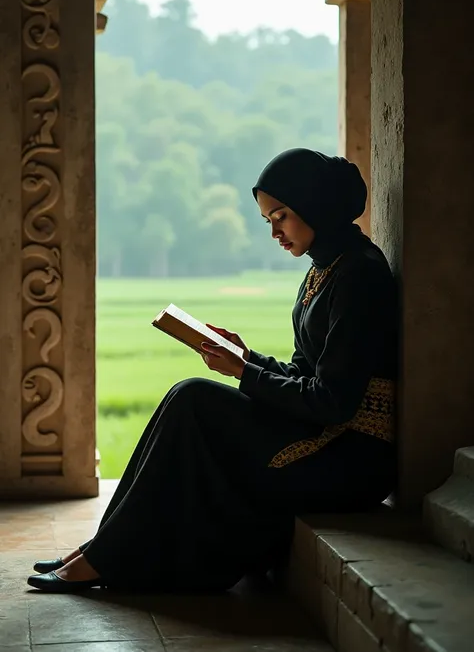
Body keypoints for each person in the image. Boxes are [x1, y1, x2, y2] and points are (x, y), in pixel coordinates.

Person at [27, 148, 397, 593]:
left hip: (348, 457)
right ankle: (102, 548)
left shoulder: (361, 274)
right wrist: (248, 357)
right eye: (268, 221)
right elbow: (305, 371)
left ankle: (105, 555)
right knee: (187, 397)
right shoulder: (325, 268)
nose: (275, 232)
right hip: (322, 434)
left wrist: (243, 372)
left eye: (281, 216)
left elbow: (333, 402)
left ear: (314, 204)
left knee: (194, 398)